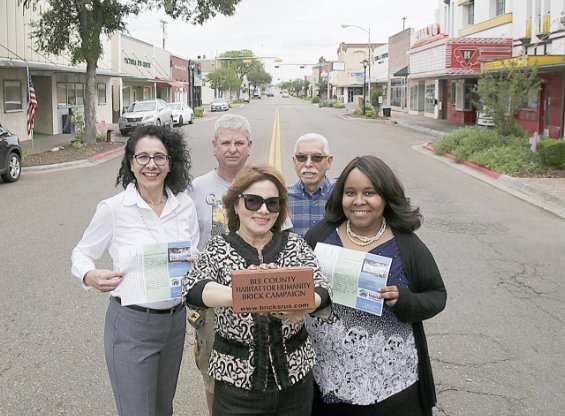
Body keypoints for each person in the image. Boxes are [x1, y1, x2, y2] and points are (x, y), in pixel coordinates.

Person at [183, 164, 332, 416]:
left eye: (272, 203)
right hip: (237, 386)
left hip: (294, 381)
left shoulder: (293, 244)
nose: (263, 210)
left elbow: (322, 289)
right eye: (253, 201)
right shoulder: (220, 247)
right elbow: (195, 288)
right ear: (236, 203)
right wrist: (249, 292)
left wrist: (304, 303)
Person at [71, 125, 200, 416]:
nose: (151, 165)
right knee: (137, 411)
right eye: (142, 157)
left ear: (171, 163)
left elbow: (194, 252)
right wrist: (89, 275)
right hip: (131, 325)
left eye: (159, 157)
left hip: (174, 322)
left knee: (162, 408)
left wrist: (195, 262)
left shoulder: (185, 206)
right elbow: (81, 253)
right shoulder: (114, 209)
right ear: (130, 162)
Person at [304, 155, 447, 416]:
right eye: (350, 193)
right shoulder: (321, 235)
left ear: (385, 196)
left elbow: (437, 295)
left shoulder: (407, 245)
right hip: (326, 378)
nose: (359, 201)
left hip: (389, 385)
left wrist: (405, 300)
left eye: (369, 192)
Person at [186, 113, 253, 414]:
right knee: (213, 375)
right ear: (214, 146)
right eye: (225, 142)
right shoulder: (195, 189)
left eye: (239, 142)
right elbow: (184, 240)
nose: (232, 148)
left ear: (249, 146)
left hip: (257, 295)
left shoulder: (262, 184)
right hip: (212, 300)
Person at [287, 133, 334, 237]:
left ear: (329, 162)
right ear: (295, 162)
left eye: (317, 157)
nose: (308, 164)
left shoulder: (341, 196)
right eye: (301, 157)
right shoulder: (283, 198)